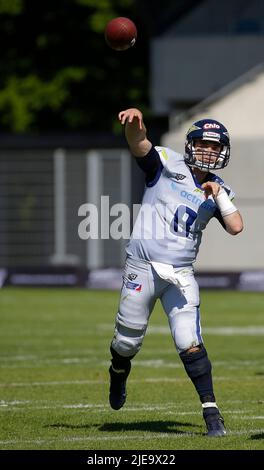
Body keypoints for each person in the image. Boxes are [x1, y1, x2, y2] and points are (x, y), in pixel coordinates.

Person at [108, 108, 243, 437]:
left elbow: (236, 227)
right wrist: (135, 125)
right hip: (142, 267)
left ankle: (212, 415)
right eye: (203, 144)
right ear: (190, 145)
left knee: (190, 341)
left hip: (180, 275)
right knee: (126, 341)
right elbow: (140, 145)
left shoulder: (219, 189)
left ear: (222, 152)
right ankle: (118, 371)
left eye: (215, 146)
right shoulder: (168, 164)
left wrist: (220, 196)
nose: (209, 151)